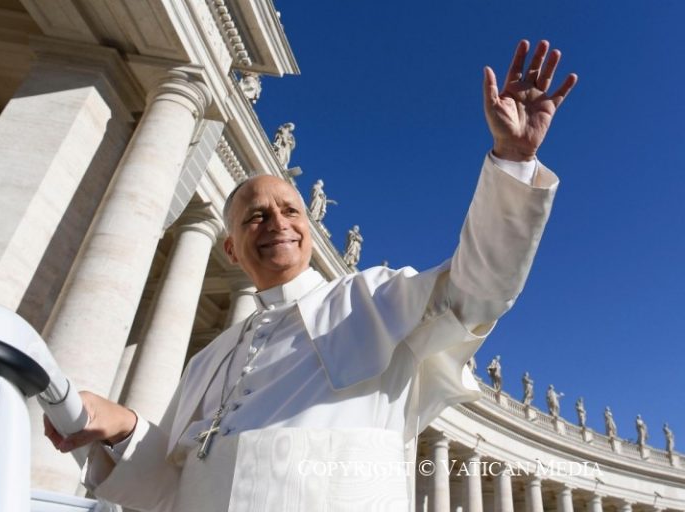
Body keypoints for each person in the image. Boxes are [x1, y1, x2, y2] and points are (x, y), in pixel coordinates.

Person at [44, 39, 577, 511]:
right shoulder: (207, 362)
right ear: (231, 248)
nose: (277, 223)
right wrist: (124, 428)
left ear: (309, 227)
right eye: (256, 216)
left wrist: (513, 160)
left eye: (290, 211)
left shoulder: (373, 300)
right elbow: (174, 492)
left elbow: (479, 290)